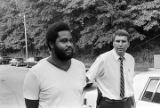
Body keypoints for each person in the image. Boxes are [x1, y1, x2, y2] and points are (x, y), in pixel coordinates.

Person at [23, 22, 86, 108]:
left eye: (70, 40)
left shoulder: (80, 67)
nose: (69, 44)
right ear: (51, 44)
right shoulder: (35, 73)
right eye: (64, 41)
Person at [86, 29, 135, 108]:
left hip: (127, 103)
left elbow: (129, 84)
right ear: (113, 43)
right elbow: (87, 78)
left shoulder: (130, 59)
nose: (120, 44)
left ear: (128, 44)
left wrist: (133, 104)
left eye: (123, 41)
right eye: (117, 41)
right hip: (108, 104)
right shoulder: (103, 59)